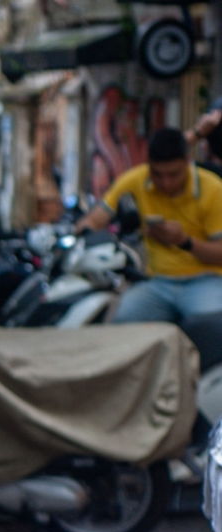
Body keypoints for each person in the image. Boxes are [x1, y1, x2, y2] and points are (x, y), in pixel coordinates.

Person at [80, 126, 222, 369]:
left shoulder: (213, 189)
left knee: (209, 330)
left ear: (187, 162)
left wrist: (184, 242)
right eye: (158, 174)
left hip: (205, 280)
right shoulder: (135, 180)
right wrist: (79, 232)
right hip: (158, 283)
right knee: (121, 325)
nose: (165, 182)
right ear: (148, 165)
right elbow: (95, 219)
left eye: (174, 174)